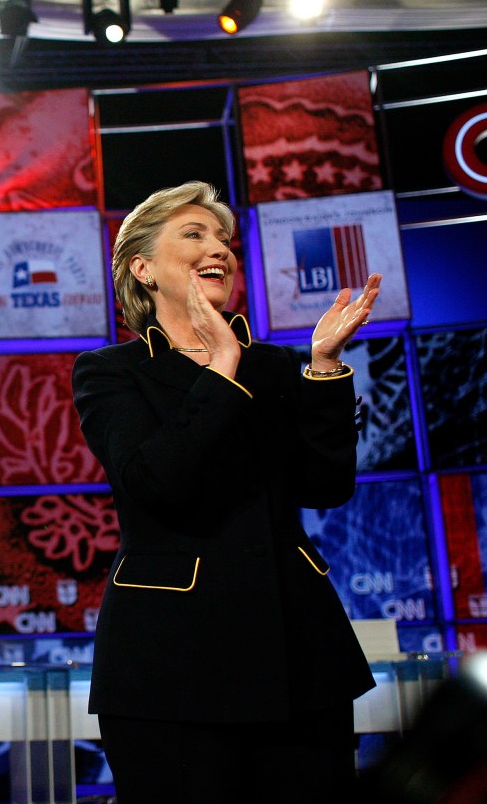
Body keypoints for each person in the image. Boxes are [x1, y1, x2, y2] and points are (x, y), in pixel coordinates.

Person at [71, 181, 381, 803]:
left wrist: (322, 368)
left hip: (298, 650)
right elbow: (154, 481)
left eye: (225, 239)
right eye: (194, 235)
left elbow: (324, 487)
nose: (220, 249)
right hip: (168, 663)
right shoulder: (110, 372)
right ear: (143, 268)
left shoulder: (271, 367)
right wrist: (219, 368)